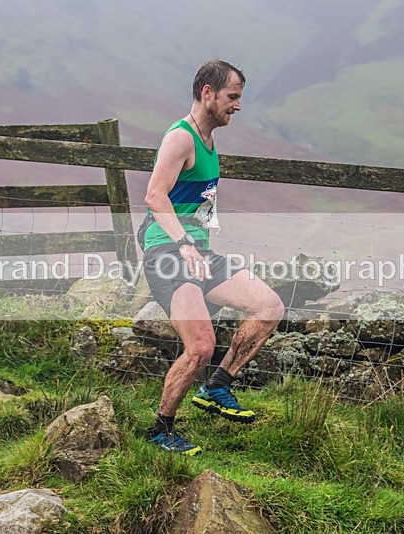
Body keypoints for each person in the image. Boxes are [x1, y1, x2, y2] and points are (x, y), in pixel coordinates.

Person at [142, 59, 285, 455]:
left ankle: (217, 386)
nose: (237, 105)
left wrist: (197, 241)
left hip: (198, 252)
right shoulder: (181, 138)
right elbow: (154, 195)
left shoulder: (208, 139)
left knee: (269, 306)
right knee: (201, 346)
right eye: (232, 97)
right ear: (207, 93)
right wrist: (185, 241)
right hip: (167, 253)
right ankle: (160, 430)